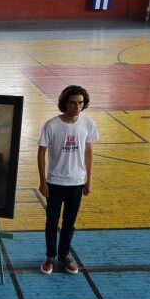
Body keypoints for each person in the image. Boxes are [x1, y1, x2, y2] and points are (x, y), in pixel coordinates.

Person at [37, 85, 99, 275]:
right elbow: (41, 153)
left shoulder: (88, 124)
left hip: (77, 183)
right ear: (65, 103)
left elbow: (88, 152)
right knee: (51, 221)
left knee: (69, 223)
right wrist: (43, 181)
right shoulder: (51, 125)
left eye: (80, 103)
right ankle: (50, 257)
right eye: (73, 103)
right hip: (55, 182)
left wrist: (88, 179)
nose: (77, 106)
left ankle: (63, 256)